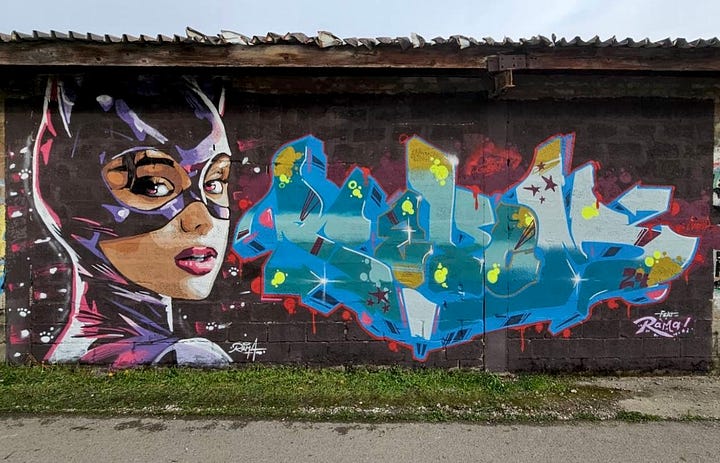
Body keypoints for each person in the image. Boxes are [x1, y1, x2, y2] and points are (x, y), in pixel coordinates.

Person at [32, 75, 233, 367]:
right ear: (63, 190)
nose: (201, 221)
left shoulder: (72, 354)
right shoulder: (184, 358)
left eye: (214, 183)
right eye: (152, 185)